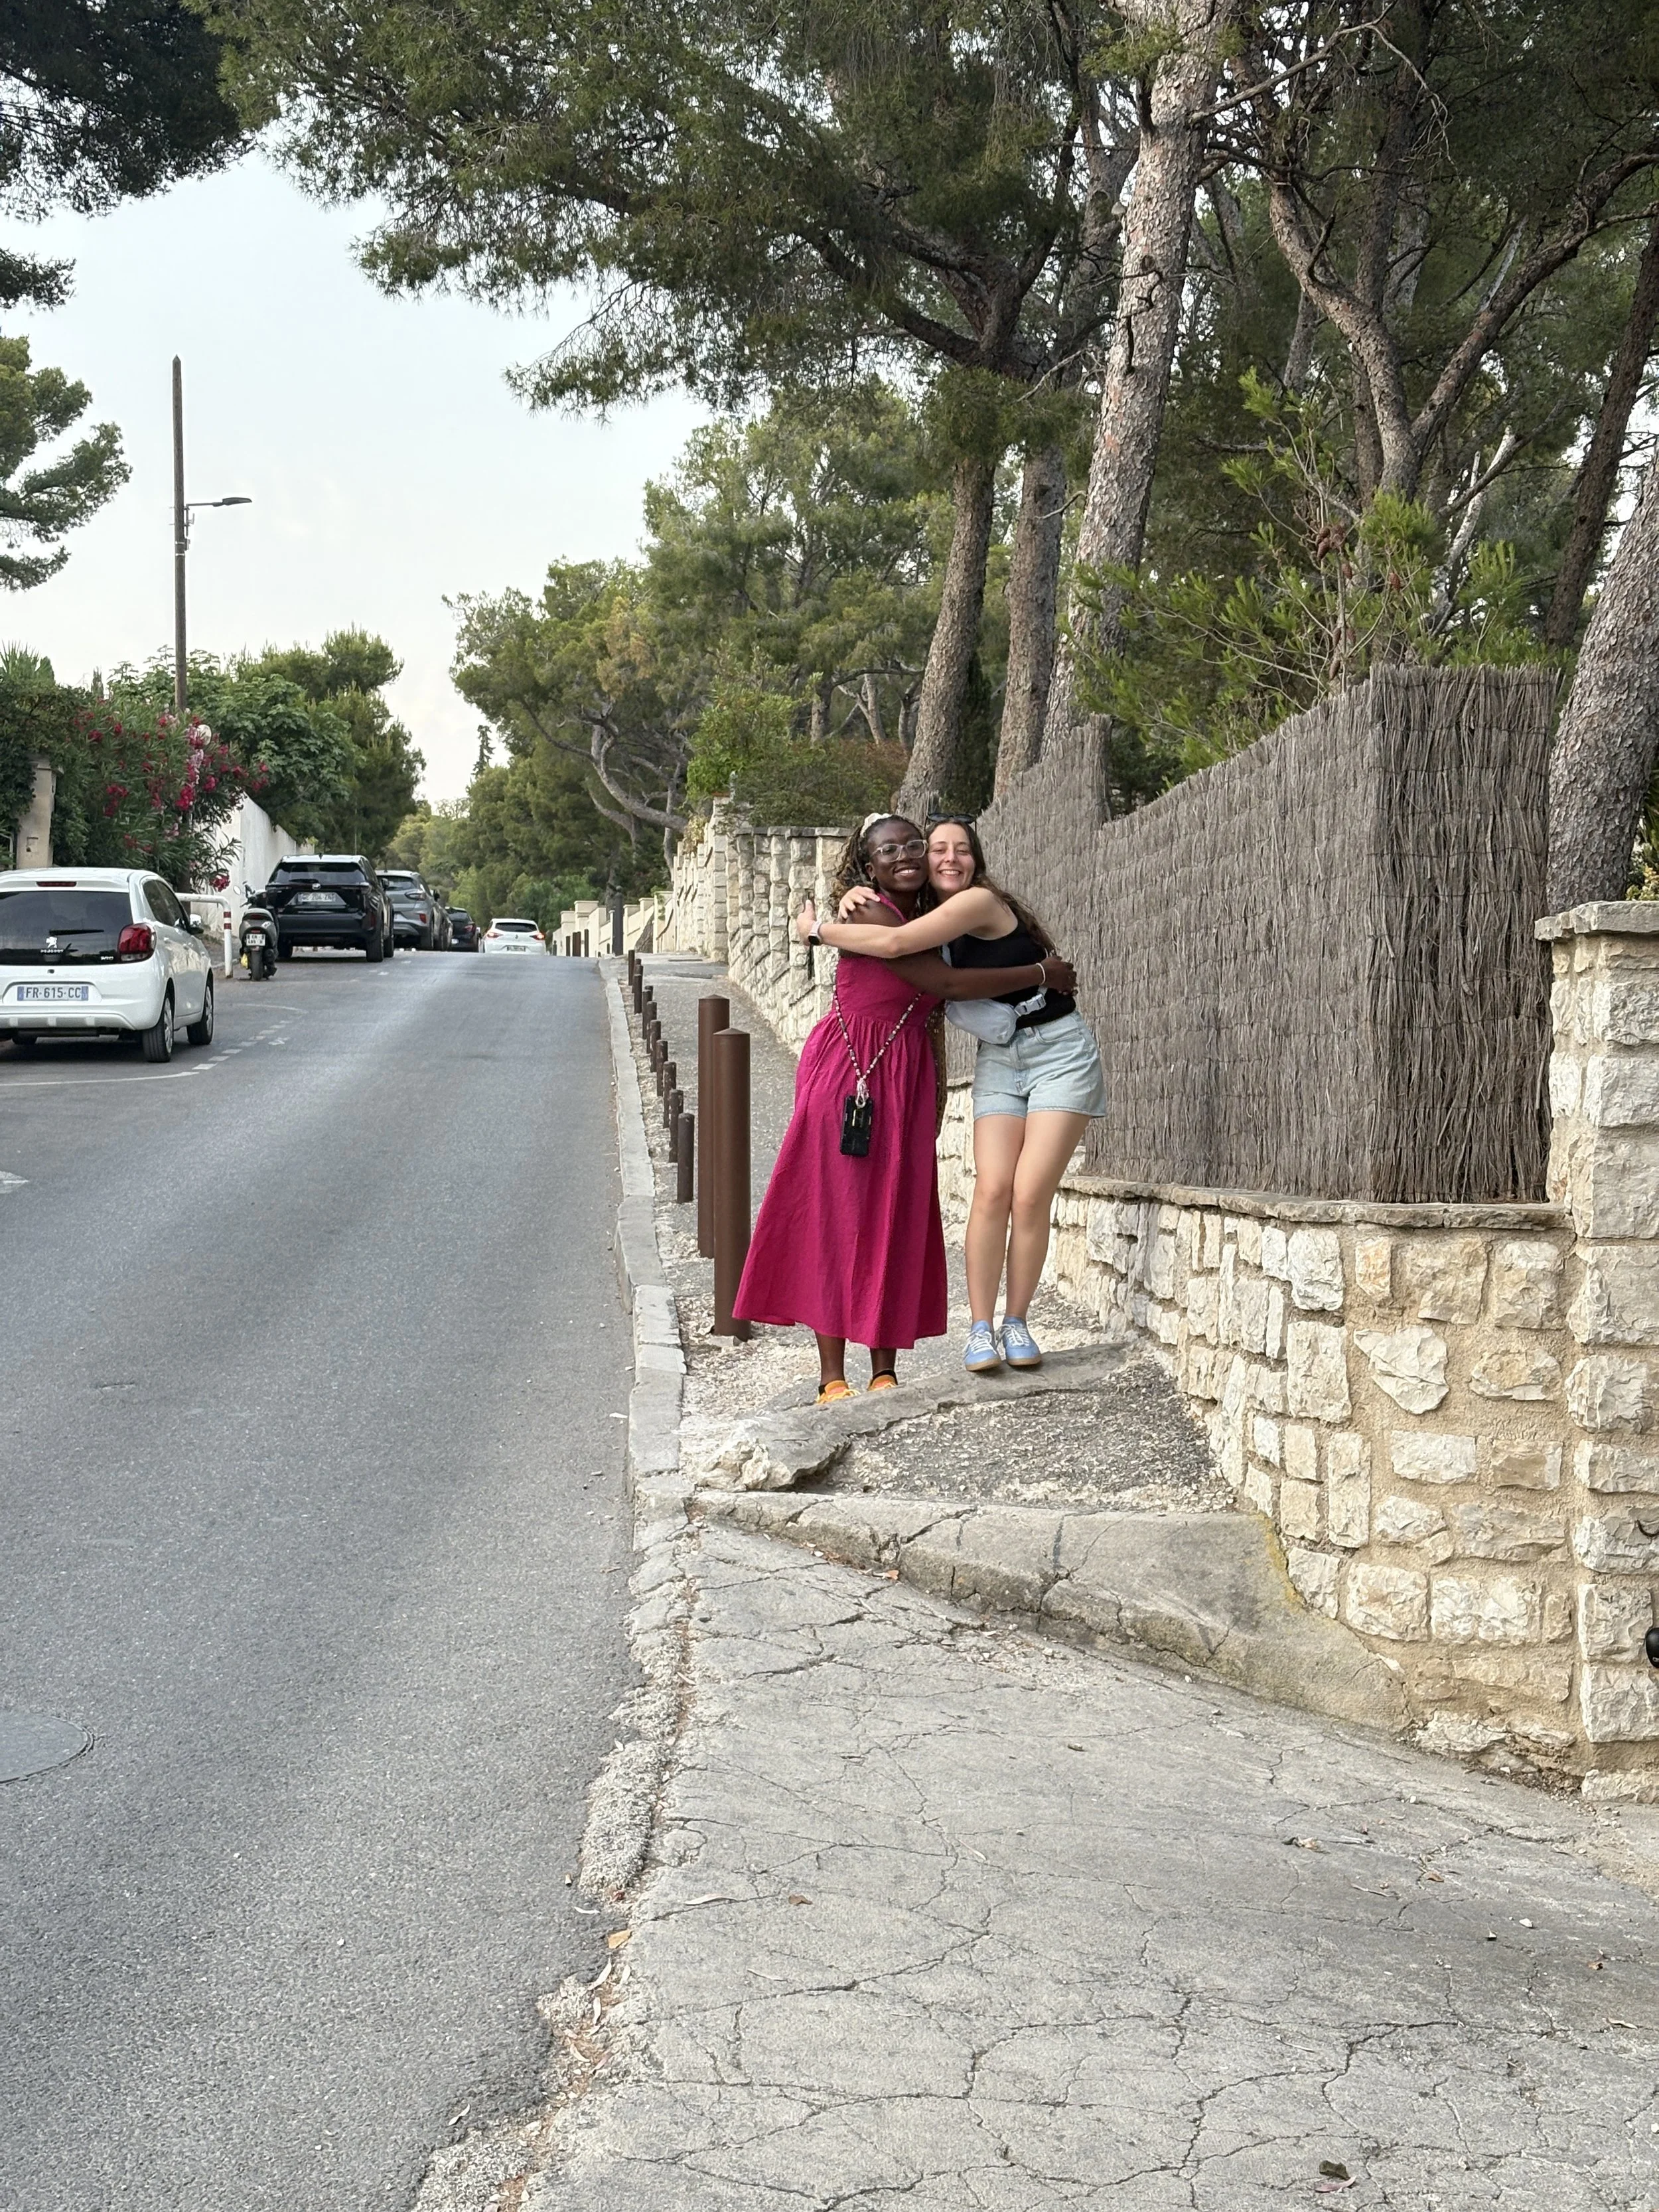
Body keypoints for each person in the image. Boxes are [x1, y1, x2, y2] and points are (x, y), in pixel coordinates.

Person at [735, 814, 1076, 1404]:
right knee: (835, 1214)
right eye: (888, 849)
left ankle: (886, 1367)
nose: (905, 855)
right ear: (869, 866)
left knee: (895, 1208)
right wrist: (1042, 973)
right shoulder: (867, 911)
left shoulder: (932, 919)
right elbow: (942, 983)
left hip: (907, 1071)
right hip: (852, 1069)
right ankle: (832, 1375)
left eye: (912, 844)